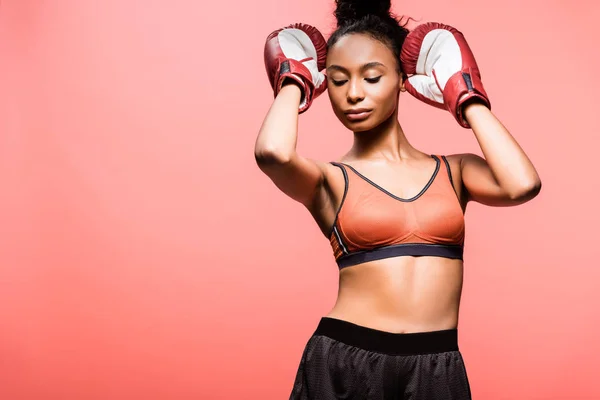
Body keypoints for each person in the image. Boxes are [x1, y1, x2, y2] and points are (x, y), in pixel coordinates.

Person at [256, 0, 541, 398]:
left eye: (371, 77)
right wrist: (293, 81)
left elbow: (522, 184)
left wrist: (466, 95)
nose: (353, 94)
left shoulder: (455, 171)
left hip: (436, 364)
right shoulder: (329, 180)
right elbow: (273, 154)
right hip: (346, 361)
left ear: (404, 79)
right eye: (338, 81)